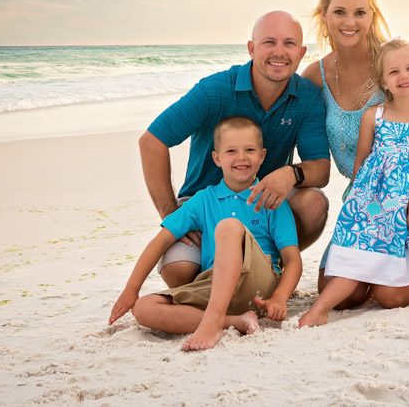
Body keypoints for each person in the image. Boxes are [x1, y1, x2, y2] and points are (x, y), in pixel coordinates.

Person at [139, 11, 330, 288]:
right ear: (251, 48)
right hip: (204, 205)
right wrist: (170, 215)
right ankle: (220, 283)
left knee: (314, 203)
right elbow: (151, 141)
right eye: (269, 42)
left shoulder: (308, 97)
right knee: (179, 272)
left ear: (301, 53)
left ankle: (270, 271)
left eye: (289, 43)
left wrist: (291, 174)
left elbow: (321, 168)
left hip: (263, 204)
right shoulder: (213, 90)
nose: (279, 52)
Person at [298, 38, 409, 329]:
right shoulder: (374, 116)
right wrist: (359, 205)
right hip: (379, 201)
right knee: (359, 251)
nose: (404, 76)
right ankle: (320, 309)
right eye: (394, 72)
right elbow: (361, 165)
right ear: (383, 81)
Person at [110, 116, 302, 350]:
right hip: (215, 285)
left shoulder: (270, 198)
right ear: (217, 158)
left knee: (228, 226)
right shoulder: (203, 199)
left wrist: (280, 297)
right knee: (143, 308)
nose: (241, 157)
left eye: (249, 150)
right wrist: (132, 289)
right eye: (231, 151)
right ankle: (234, 321)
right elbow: (161, 241)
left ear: (261, 156)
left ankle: (212, 322)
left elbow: (292, 259)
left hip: (259, 288)